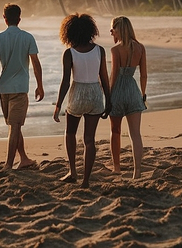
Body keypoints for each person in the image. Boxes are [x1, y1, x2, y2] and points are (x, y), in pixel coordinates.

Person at [0, 3, 44, 170]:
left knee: (14, 126)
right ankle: (8, 164)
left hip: (4, 88)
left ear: (4, 19)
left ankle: (23, 159)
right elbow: (35, 63)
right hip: (20, 88)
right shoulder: (27, 37)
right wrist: (40, 85)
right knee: (14, 127)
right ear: (19, 19)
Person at [53, 13, 111, 188]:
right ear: (90, 30)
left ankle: (72, 171)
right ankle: (86, 180)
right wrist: (109, 100)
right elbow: (104, 78)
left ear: (69, 33)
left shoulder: (69, 53)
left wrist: (58, 105)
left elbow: (65, 82)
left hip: (77, 93)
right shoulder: (99, 50)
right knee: (89, 139)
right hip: (95, 94)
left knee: (70, 133)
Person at [108, 16, 147, 179]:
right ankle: (137, 171)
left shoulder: (115, 50)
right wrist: (142, 94)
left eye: (112, 30)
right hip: (133, 90)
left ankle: (117, 167)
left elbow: (114, 74)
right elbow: (143, 75)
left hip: (117, 91)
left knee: (115, 131)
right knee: (135, 134)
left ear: (118, 30)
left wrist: (108, 94)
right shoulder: (140, 48)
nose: (111, 33)